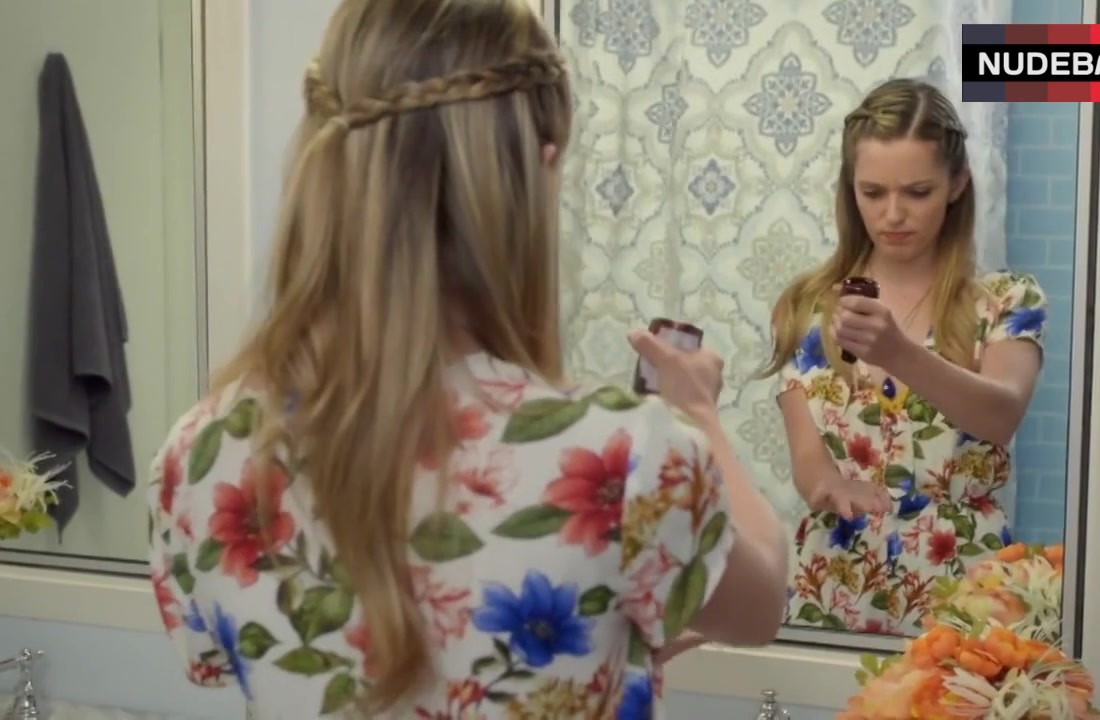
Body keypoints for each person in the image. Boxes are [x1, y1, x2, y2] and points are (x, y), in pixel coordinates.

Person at [146, 1, 788, 717]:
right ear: (539, 171)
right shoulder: (624, 456)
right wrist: (697, 411)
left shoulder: (197, 455)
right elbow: (761, 606)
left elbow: (219, 661)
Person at [763, 78, 1047, 637]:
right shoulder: (807, 307)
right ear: (850, 190)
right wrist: (828, 486)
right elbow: (807, 457)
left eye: (917, 192)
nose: (893, 214)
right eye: (872, 192)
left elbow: (1001, 415)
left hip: (963, 586)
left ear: (956, 184)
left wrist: (899, 353)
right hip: (835, 581)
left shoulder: (1006, 301)